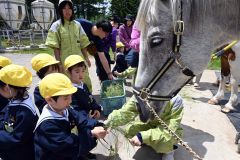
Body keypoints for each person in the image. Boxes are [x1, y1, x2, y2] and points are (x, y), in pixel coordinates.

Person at [34, 73, 108, 160]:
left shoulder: (63, 109)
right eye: (65, 98)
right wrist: (91, 134)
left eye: (70, 96)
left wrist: (98, 124)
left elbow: (82, 120)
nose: (70, 101)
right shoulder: (47, 126)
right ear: (49, 100)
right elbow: (69, 146)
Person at [105, 94, 183, 160]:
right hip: (151, 124)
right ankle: (150, 142)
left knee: (167, 140)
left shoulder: (176, 100)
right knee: (130, 129)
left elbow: (169, 129)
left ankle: (169, 151)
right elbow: (125, 112)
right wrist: (108, 122)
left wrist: (142, 136)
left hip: (167, 129)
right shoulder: (141, 94)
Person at [45, 0, 92, 92]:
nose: (67, 11)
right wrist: (59, 64)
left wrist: (86, 58)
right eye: (64, 8)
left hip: (79, 59)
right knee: (67, 82)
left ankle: (88, 98)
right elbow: (55, 46)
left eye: (69, 8)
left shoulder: (77, 25)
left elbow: (83, 42)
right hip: (65, 61)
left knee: (85, 79)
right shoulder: (56, 26)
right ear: (60, 10)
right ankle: (71, 102)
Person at [0, 64, 38, 160]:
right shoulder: (17, 98)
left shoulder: (24, 112)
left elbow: (15, 138)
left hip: (20, 154)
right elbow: (4, 115)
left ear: (7, 87)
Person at [64, 55, 102, 119]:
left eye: (83, 71)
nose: (81, 74)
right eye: (77, 72)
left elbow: (91, 98)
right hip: (82, 121)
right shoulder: (70, 90)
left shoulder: (84, 85)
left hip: (91, 117)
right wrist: (86, 116)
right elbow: (75, 109)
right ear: (68, 72)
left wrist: (96, 109)